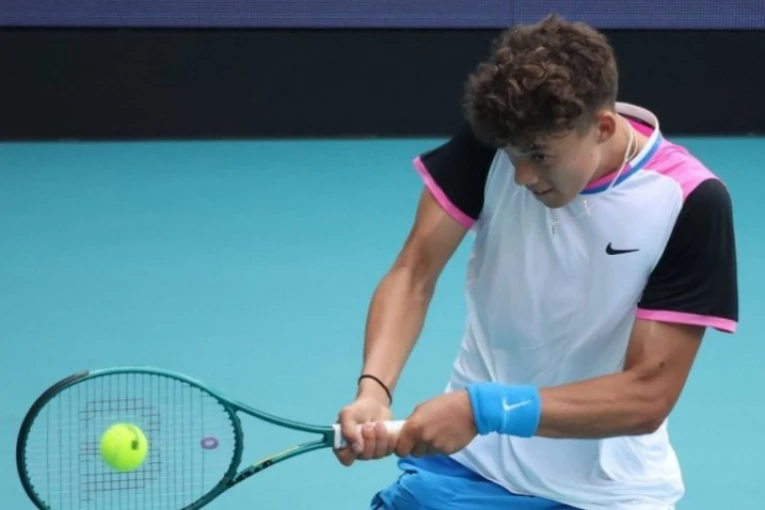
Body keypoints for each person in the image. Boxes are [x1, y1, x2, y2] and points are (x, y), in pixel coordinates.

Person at [334, 13, 738, 510]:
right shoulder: (498, 139)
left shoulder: (689, 200)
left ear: (602, 127)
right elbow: (413, 272)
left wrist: (484, 410)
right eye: (512, 156)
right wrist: (373, 390)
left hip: (604, 493)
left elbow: (647, 396)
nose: (522, 177)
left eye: (540, 156)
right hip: (471, 465)